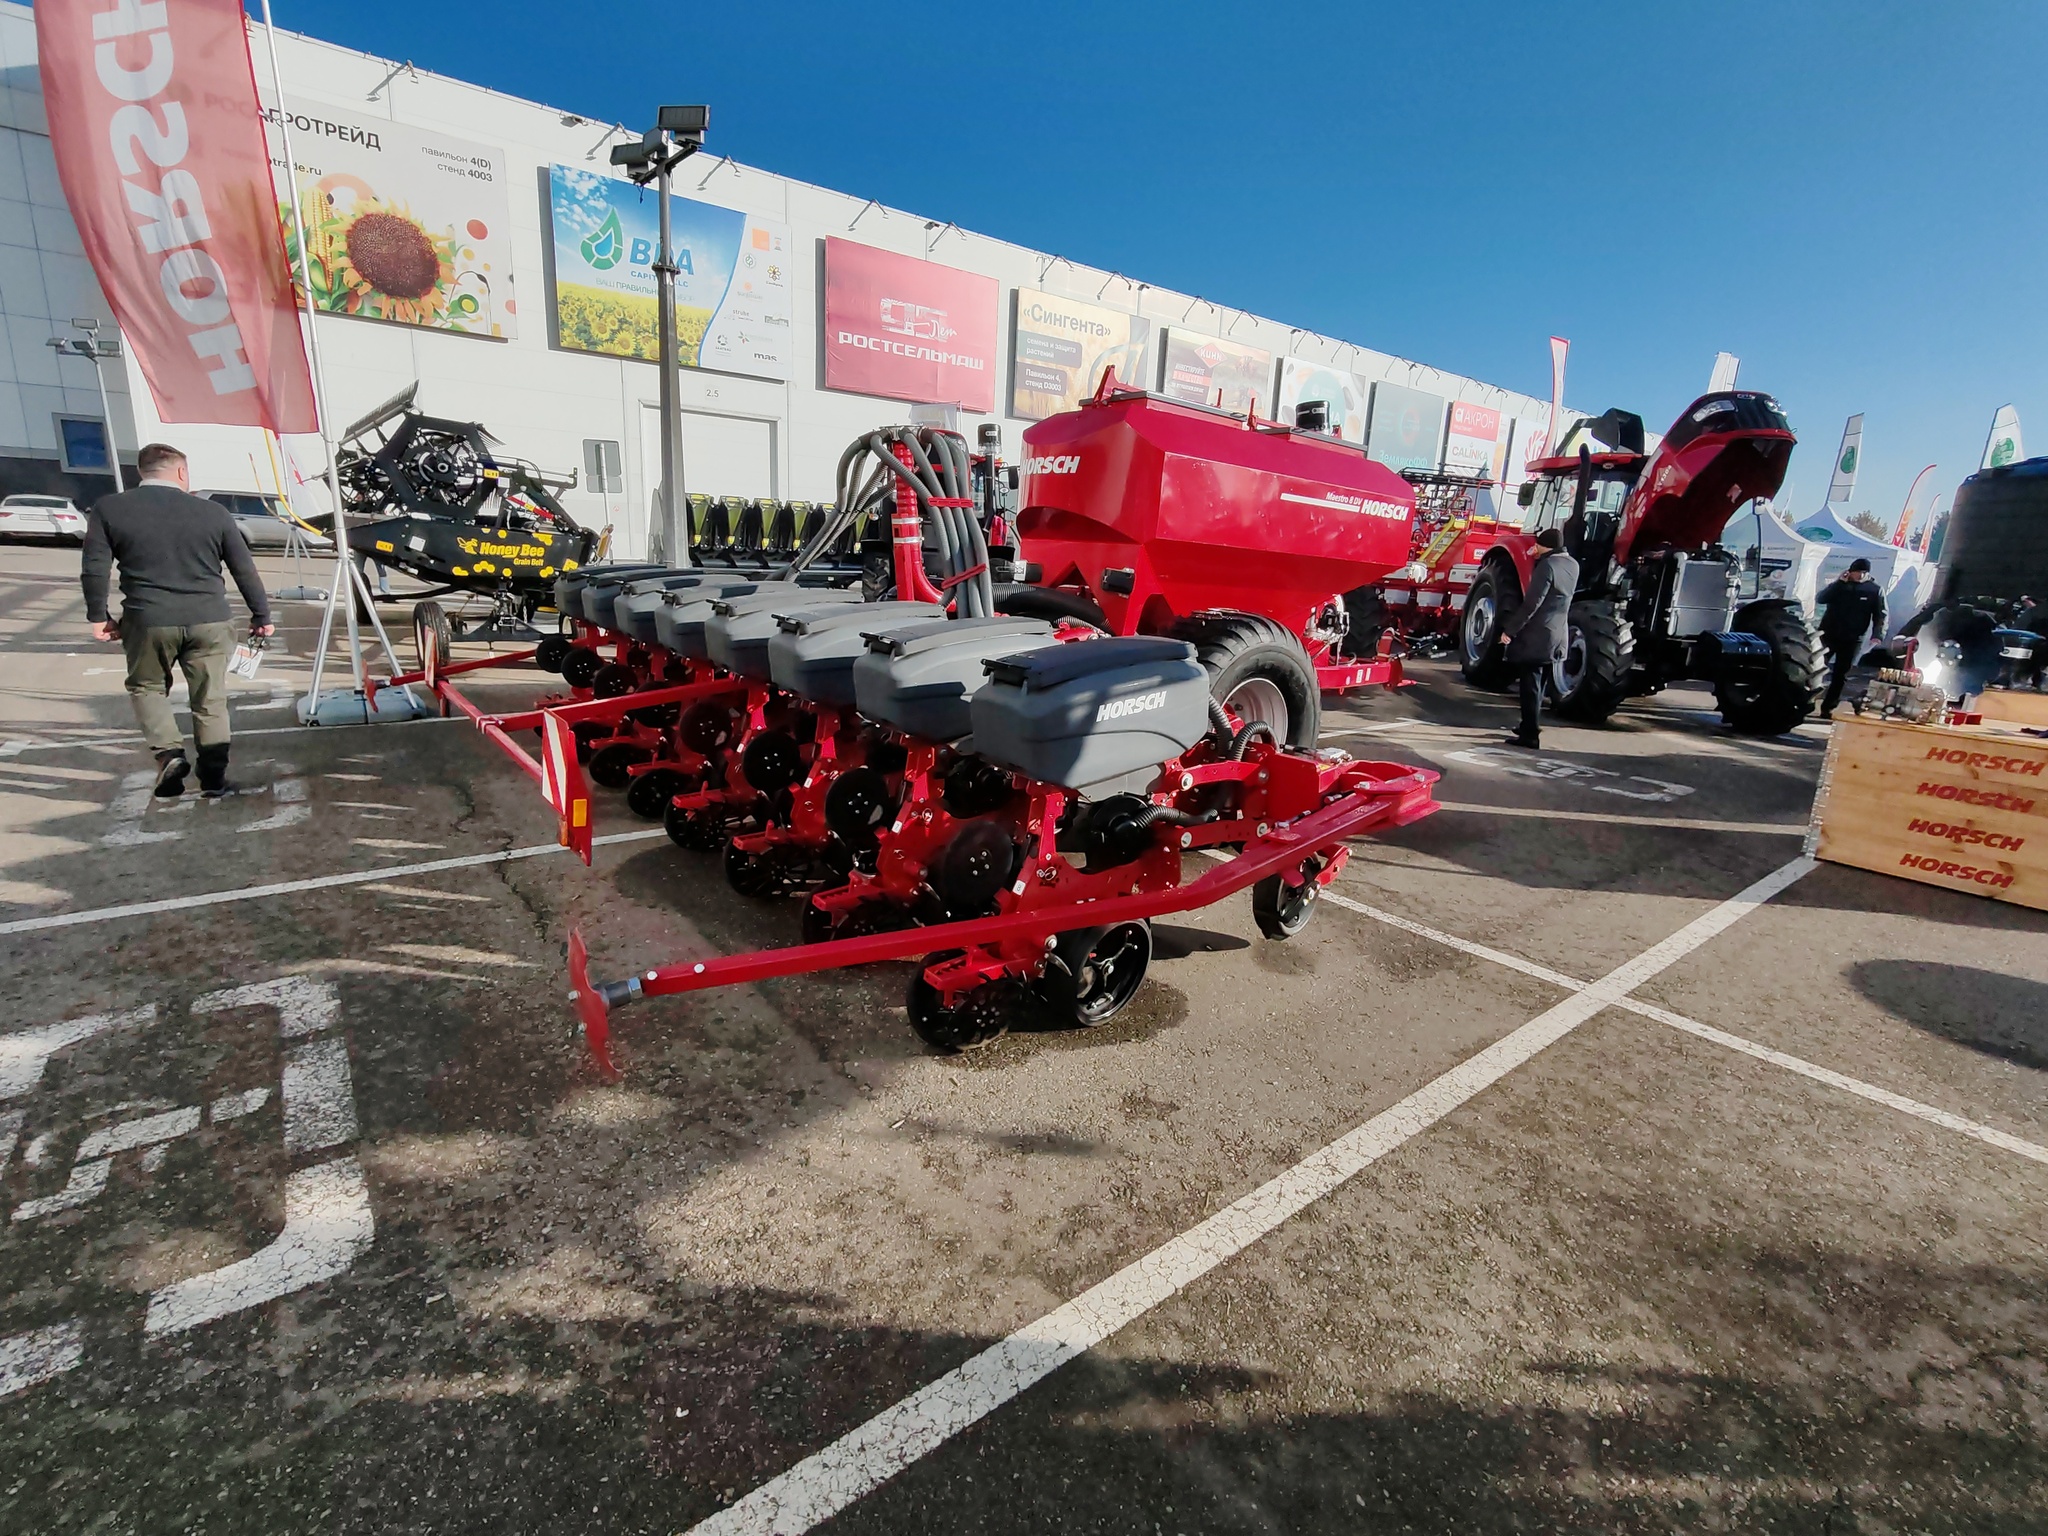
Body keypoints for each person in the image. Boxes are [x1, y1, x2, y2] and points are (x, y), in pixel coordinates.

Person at [81, 442, 274, 798]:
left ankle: (169, 753)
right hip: (210, 619)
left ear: (142, 472)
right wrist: (261, 615)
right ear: (182, 472)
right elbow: (243, 569)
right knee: (210, 700)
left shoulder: (110, 509)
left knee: (147, 688)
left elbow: (94, 567)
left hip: (148, 617)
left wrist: (98, 615)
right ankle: (214, 778)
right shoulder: (213, 513)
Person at [1500, 527, 1579, 749]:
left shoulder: (1547, 566)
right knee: (1539, 686)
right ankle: (1528, 725)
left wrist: (1510, 630)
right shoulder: (1573, 564)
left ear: (1545, 545)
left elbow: (1532, 603)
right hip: (1558, 633)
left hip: (1538, 635)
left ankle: (1530, 736)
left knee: (1530, 687)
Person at [1813, 558, 1886, 717]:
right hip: (1829, 634)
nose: (1860, 576)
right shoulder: (1839, 586)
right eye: (1857, 572)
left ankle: (1828, 707)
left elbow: (1881, 615)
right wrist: (1839, 583)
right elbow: (1821, 599)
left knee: (1841, 674)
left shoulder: (1874, 590)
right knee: (1816, 668)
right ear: (1850, 572)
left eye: (1863, 573)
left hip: (1853, 638)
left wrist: (1878, 634)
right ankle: (1808, 699)